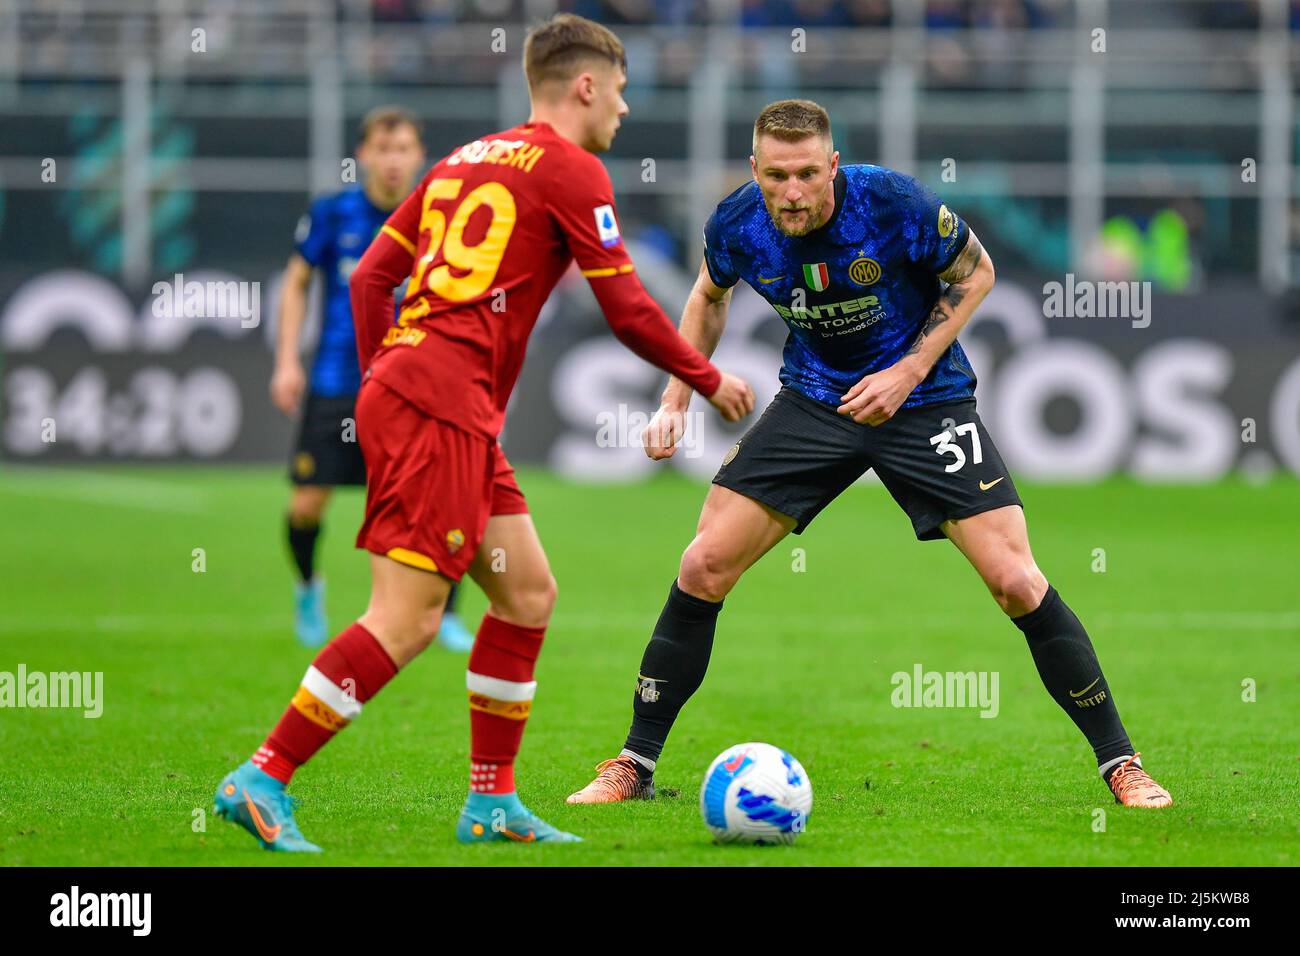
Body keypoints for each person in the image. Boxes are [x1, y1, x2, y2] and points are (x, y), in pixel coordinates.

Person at [213, 14, 754, 851]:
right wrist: (708, 376)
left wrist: (380, 375)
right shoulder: (574, 172)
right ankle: (262, 777)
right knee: (408, 618)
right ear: (584, 85)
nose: (624, 106)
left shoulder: (462, 158)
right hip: (439, 405)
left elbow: (371, 279)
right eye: (618, 88)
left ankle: (490, 801)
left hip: (434, 400)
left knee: (527, 594)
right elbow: (629, 309)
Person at [568, 98, 1173, 816]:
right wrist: (675, 400)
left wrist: (908, 372)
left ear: (832, 165)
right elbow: (707, 295)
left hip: (924, 400)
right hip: (816, 401)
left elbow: (975, 276)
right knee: (702, 564)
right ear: (755, 170)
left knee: (1015, 580)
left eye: (806, 175)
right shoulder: (736, 221)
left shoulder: (893, 202)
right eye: (776, 177)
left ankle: (1122, 763)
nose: (792, 192)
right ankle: (634, 763)